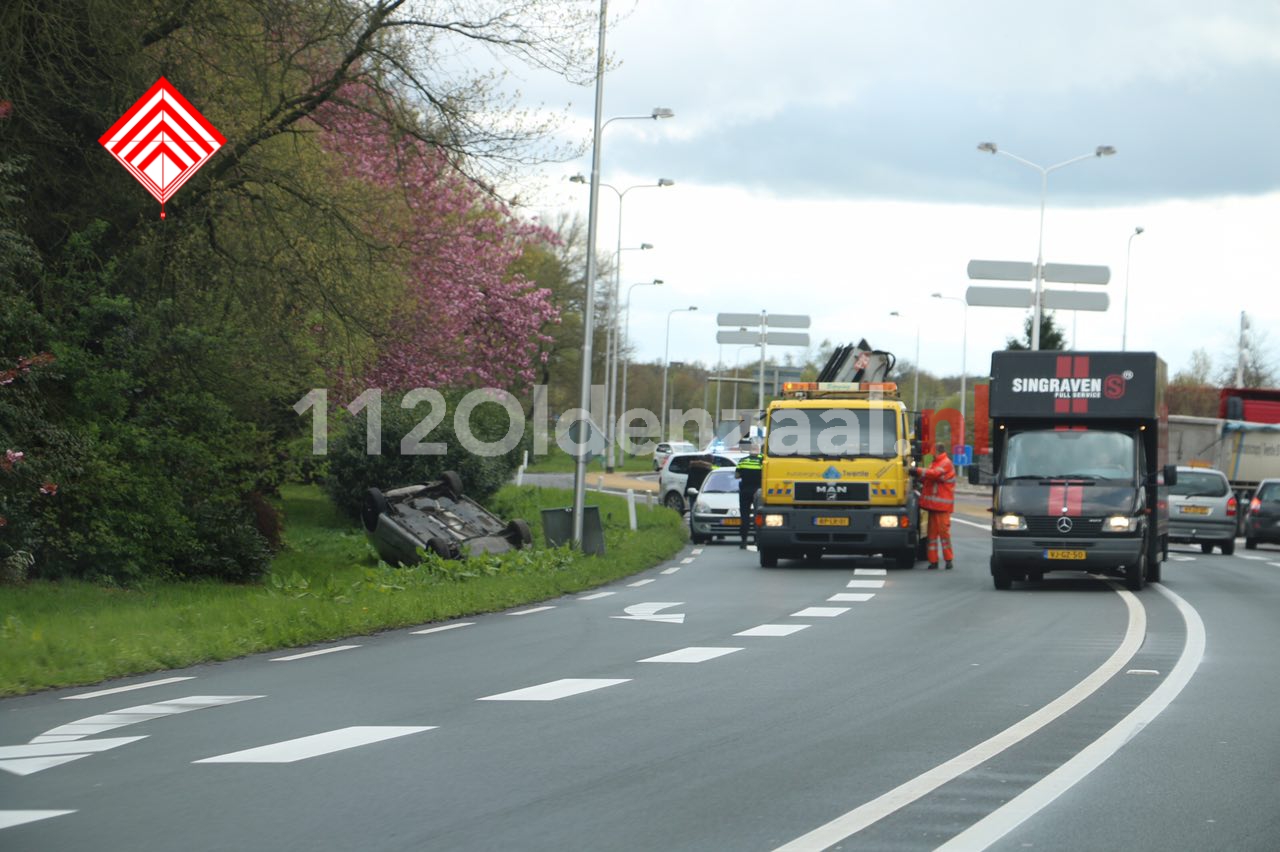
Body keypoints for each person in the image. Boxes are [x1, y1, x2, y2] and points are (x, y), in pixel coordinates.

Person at [912, 440, 956, 569]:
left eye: (932, 452)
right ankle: (933, 561)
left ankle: (948, 560)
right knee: (931, 536)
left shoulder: (945, 463)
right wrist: (919, 477)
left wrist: (917, 470)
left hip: (941, 507)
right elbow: (928, 476)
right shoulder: (936, 462)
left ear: (937, 451)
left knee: (943, 534)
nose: (931, 454)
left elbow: (934, 474)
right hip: (934, 506)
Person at [734, 443, 764, 549]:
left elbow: (736, 476)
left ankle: (743, 541)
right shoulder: (763, 461)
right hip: (758, 492)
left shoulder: (742, 461)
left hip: (745, 491)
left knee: (744, 516)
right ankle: (757, 539)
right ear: (759, 450)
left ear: (750, 450)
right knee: (758, 516)